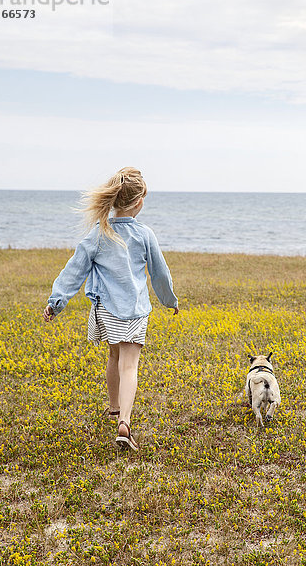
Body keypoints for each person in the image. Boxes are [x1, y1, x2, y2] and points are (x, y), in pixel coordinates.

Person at [43, 167, 179, 451]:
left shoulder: (99, 232)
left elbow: (74, 270)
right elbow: (160, 274)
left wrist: (56, 302)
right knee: (129, 365)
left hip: (106, 310)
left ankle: (115, 408)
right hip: (133, 310)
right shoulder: (145, 234)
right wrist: (169, 301)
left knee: (114, 355)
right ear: (139, 201)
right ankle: (125, 424)